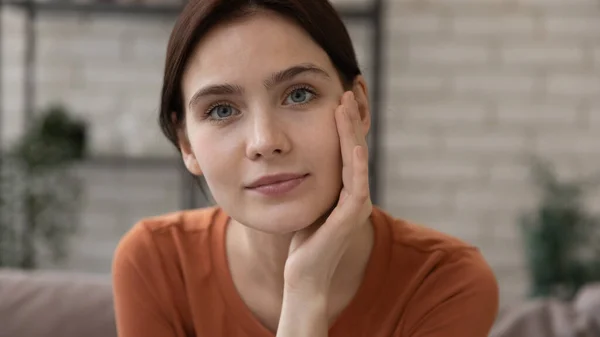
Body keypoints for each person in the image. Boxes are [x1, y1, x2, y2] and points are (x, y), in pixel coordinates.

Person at [111, 0, 500, 336]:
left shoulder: (445, 282)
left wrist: (306, 286)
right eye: (222, 110)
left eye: (299, 94)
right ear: (186, 143)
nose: (265, 141)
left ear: (359, 108)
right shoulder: (156, 264)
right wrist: (304, 294)